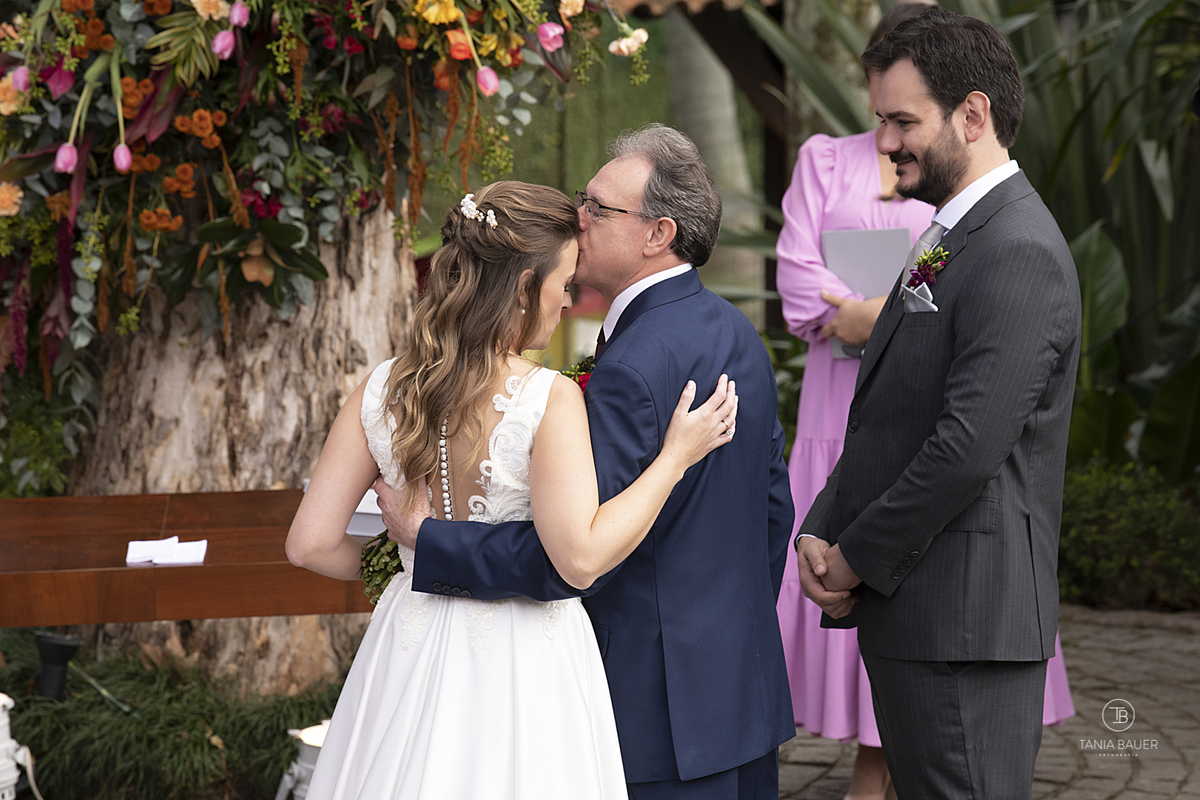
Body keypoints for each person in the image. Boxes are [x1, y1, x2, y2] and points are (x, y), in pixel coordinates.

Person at [378, 124, 795, 800]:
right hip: (739, 694)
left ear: (659, 233)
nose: (578, 217)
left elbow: (577, 551)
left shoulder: (631, 364)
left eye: (599, 208)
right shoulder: (736, 330)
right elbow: (772, 508)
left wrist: (430, 540)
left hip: (654, 713)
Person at [285, 180, 740, 799]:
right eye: (563, 284)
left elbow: (309, 545)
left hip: (407, 635)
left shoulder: (381, 388)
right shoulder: (546, 398)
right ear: (525, 288)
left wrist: (411, 559)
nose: (566, 302)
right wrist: (676, 458)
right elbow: (580, 559)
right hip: (525, 656)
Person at [775, 5, 1074, 798]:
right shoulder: (950, 234)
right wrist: (823, 521)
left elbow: (965, 447)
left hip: (962, 629)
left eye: (903, 121)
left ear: (972, 115)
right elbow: (889, 410)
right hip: (924, 618)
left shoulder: (1018, 249)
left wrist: (853, 556)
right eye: (881, 120)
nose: (885, 142)